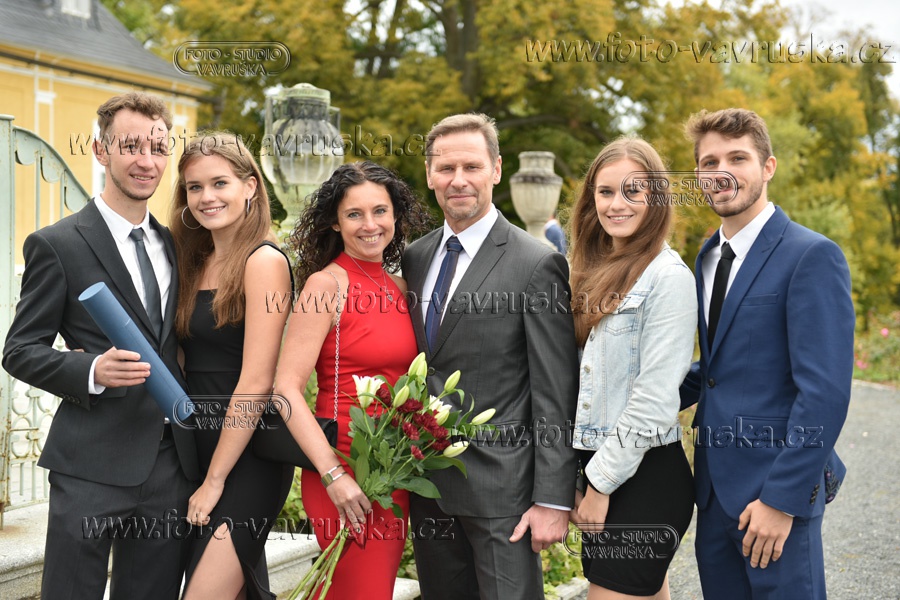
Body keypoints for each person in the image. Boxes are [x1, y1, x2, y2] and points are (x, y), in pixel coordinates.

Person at [2, 92, 200, 599]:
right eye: (130, 146)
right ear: (100, 150)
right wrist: (92, 370)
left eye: (158, 148)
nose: (146, 160)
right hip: (89, 463)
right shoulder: (58, 244)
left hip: (169, 466)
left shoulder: (177, 245)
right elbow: (19, 349)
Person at [402, 113, 580, 600]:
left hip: (505, 494)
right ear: (429, 174)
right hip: (428, 485)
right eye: (446, 168)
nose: (458, 180)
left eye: (472, 166)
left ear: (496, 170)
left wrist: (552, 498)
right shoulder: (415, 258)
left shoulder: (536, 263)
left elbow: (555, 390)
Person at [680, 108, 854, 599]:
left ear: (768, 167)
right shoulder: (707, 258)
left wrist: (782, 500)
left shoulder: (811, 255)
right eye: (709, 162)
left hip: (774, 495)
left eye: (738, 158)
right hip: (713, 494)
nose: (722, 172)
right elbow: (716, 368)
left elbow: (825, 392)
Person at [272, 161, 431, 599]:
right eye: (354, 214)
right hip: (340, 468)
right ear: (335, 222)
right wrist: (333, 475)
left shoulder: (401, 288)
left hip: (392, 470)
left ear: (396, 216)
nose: (370, 225)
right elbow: (285, 391)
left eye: (380, 211)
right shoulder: (326, 285)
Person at [568, 137, 696, 599]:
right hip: (599, 469)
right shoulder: (590, 269)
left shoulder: (668, 277)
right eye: (605, 192)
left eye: (632, 191)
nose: (615, 204)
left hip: (643, 479)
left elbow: (655, 399)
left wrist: (599, 485)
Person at [170, 132, 293, 599]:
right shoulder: (192, 261)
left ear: (250, 186)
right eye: (194, 187)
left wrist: (215, 479)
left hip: (246, 456)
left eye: (219, 183)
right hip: (196, 447)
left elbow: (257, 380)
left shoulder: (264, 261)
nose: (207, 197)